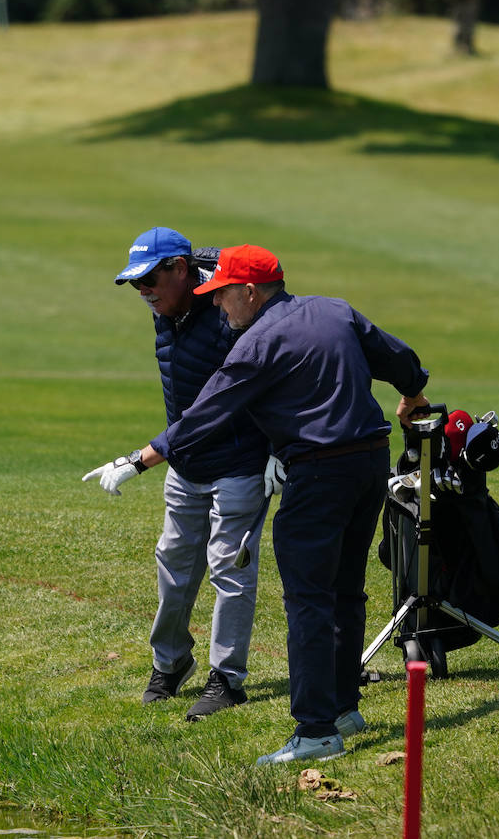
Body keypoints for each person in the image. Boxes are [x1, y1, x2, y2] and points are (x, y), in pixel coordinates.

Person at [82, 244, 430, 765]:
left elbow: (205, 415)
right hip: (368, 465)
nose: (219, 307)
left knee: (308, 599)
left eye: (222, 295)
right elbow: (400, 360)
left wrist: (138, 461)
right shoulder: (334, 309)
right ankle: (342, 709)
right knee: (344, 591)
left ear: (249, 291)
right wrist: (412, 395)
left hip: (318, 474)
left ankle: (315, 731)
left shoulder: (256, 343)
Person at [82, 227, 281, 722]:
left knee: (229, 571)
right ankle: (171, 662)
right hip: (187, 463)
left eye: (150, 279)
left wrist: (281, 448)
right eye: (135, 285)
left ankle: (226, 678)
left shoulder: (227, 311)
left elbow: (270, 378)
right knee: (172, 566)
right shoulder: (167, 309)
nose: (144, 292)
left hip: (240, 465)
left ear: (180, 270)